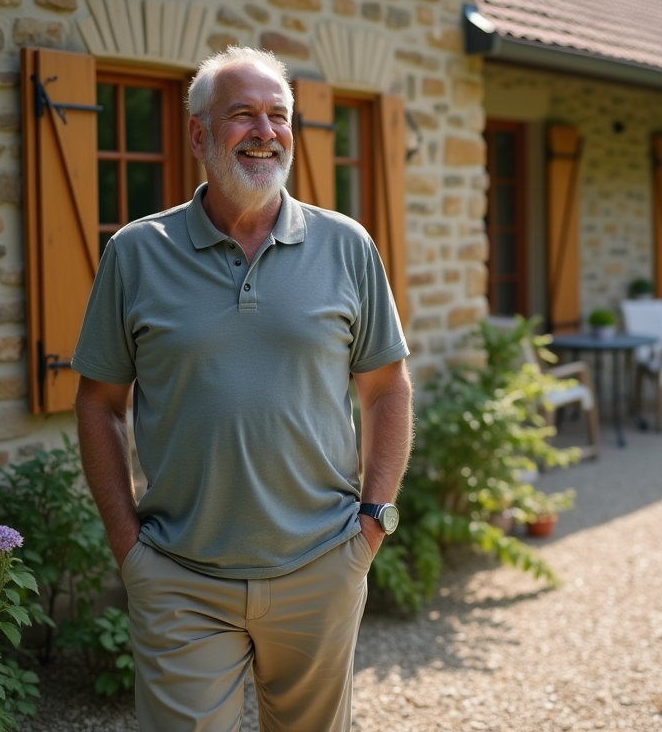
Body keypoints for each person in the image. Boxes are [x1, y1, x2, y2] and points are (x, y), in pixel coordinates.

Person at [73, 46, 413, 731]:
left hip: (321, 566)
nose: (265, 131)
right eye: (243, 115)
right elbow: (100, 403)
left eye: (278, 115)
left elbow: (386, 387)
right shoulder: (136, 253)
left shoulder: (347, 245)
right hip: (180, 577)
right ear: (199, 134)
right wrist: (128, 545)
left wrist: (374, 521)